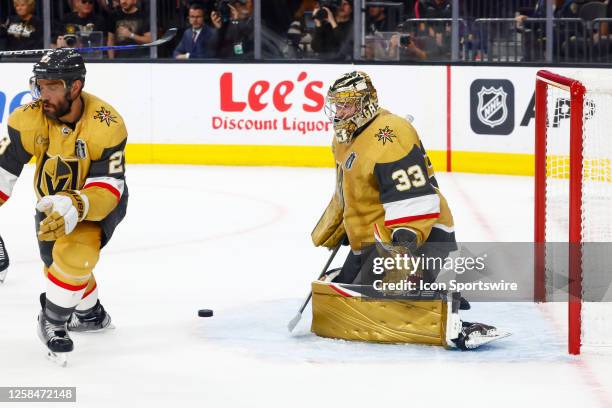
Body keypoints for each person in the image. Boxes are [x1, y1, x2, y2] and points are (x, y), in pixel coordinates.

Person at [311, 71, 504, 350]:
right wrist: (344, 224)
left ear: (366, 102)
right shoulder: (345, 137)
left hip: (420, 233)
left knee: (383, 303)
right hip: (375, 236)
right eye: (336, 104)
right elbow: (350, 189)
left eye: (347, 104)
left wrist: (404, 251)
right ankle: (420, 291)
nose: (339, 112)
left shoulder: (390, 134)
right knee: (342, 295)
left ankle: (445, 311)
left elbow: (414, 198)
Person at [0, 49, 128, 364]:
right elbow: (4, 171)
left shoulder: (106, 123)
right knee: (55, 263)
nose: (43, 94)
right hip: (49, 204)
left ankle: (53, 320)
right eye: (39, 85)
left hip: (97, 201)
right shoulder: (27, 117)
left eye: (52, 86)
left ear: (75, 86)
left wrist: (78, 203)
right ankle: (90, 314)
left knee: (75, 253)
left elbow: (110, 185)